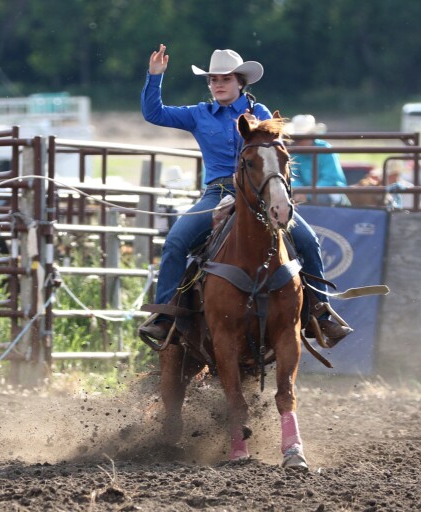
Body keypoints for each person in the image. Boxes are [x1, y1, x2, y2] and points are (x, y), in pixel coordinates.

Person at [137, 45, 351, 347]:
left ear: (240, 83)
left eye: (225, 78)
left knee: (307, 240)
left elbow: (269, 151)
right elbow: (153, 113)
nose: (218, 84)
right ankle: (165, 317)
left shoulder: (259, 112)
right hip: (217, 191)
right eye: (213, 79)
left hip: (257, 192)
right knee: (175, 241)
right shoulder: (198, 114)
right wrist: (154, 76)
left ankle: (320, 313)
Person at [287, 114, 348, 206]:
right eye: (295, 138)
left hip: (327, 192)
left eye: (300, 138)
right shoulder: (294, 152)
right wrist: (299, 190)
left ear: (312, 135)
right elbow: (292, 177)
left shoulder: (325, 149)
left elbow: (331, 179)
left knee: (321, 198)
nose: (297, 141)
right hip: (301, 193)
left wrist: (307, 193)